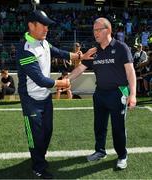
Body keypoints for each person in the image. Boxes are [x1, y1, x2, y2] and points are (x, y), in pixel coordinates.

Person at [16, 10, 96, 179]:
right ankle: (38, 166)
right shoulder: (25, 49)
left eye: (47, 25)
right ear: (31, 25)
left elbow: (58, 51)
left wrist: (80, 56)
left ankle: (39, 156)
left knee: (47, 131)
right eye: (43, 25)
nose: (47, 29)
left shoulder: (43, 42)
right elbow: (40, 79)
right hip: (31, 100)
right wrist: (63, 82)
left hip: (45, 98)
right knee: (35, 135)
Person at [68, 17, 136, 170]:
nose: (95, 33)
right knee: (99, 126)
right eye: (94, 30)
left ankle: (122, 156)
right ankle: (100, 151)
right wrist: (66, 80)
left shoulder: (121, 48)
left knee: (118, 128)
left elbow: (130, 72)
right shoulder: (94, 50)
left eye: (99, 29)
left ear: (108, 30)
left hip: (117, 93)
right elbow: (80, 69)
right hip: (99, 94)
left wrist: (133, 94)